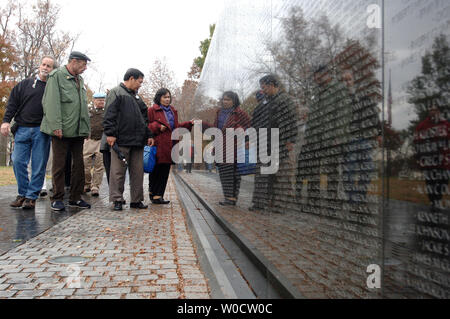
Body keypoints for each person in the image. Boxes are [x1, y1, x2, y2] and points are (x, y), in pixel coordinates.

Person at [1, 56, 56, 209]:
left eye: (49, 66)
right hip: (22, 129)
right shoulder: (24, 84)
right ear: (40, 66)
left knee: (39, 165)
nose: (45, 68)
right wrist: (6, 121)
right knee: (18, 161)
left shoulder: (52, 88)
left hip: (42, 131)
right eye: (43, 64)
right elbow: (12, 103)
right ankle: (22, 193)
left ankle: (31, 197)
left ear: (53, 70)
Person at [40, 51, 92, 211]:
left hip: (78, 130)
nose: (84, 69)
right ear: (74, 62)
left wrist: (86, 128)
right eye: (83, 65)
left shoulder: (80, 79)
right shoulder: (56, 76)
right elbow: (50, 103)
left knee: (79, 165)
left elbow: (82, 106)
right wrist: (56, 126)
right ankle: (57, 198)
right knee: (59, 165)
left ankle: (75, 197)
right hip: (61, 130)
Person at [103, 68, 155, 211]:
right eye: (139, 82)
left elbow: (144, 120)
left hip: (138, 142)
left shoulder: (138, 98)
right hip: (121, 140)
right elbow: (109, 115)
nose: (140, 85)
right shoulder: (116, 92)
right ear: (131, 78)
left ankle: (136, 200)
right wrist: (110, 134)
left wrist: (149, 135)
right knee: (118, 172)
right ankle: (117, 199)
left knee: (138, 172)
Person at [203, 91, 251, 206]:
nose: (225, 101)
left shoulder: (240, 113)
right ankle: (228, 197)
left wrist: (243, 136)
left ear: (234, 101)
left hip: (234, 146)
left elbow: (248, 128)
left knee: (233, 173)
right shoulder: (219, 112)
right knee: (224, 173)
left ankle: (232, 198)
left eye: (228, 99)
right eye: (224, 99)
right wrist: (203, 125)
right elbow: (216, 129)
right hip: (220, 145)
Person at [148, 88, 194, 204]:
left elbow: (176, 127)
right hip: (157, 144)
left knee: (164, 170)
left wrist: (189, 124)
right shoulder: (152, 110)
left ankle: (158, 195)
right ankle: (152, 192)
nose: (167, 99)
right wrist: (157, 126)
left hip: (170, 145)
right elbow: (146, 125)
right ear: (159, 98)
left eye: (168, 97)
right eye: (165, 97)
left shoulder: (173, 111)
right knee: (155, 169)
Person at [83, 92, 106, 197]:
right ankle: (86, 183)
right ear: (94, 100)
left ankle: (95, 186)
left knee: (99, 165)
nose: (101, 102)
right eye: (99, 100)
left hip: (101, 140)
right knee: (85, 164)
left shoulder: (106, 113)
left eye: (102, 100)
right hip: (89, 140)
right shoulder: (88, 112)